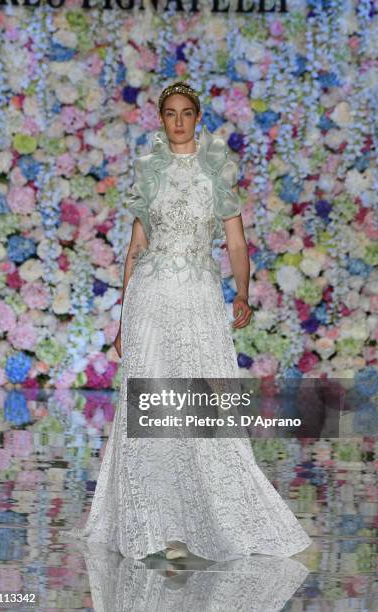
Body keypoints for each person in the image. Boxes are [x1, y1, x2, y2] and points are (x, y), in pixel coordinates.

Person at [72, 82, 312, 561]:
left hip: (199, 296)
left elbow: (236, 244)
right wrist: (122, 319)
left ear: (197, 117)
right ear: (160, 119)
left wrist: (242, 291)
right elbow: (136, 248)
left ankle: (205, 520)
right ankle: (154, 525)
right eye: (170, 113)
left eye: (186, 113)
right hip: (151, 296)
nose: (178, 121)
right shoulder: (151, 172)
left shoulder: (216, 170)